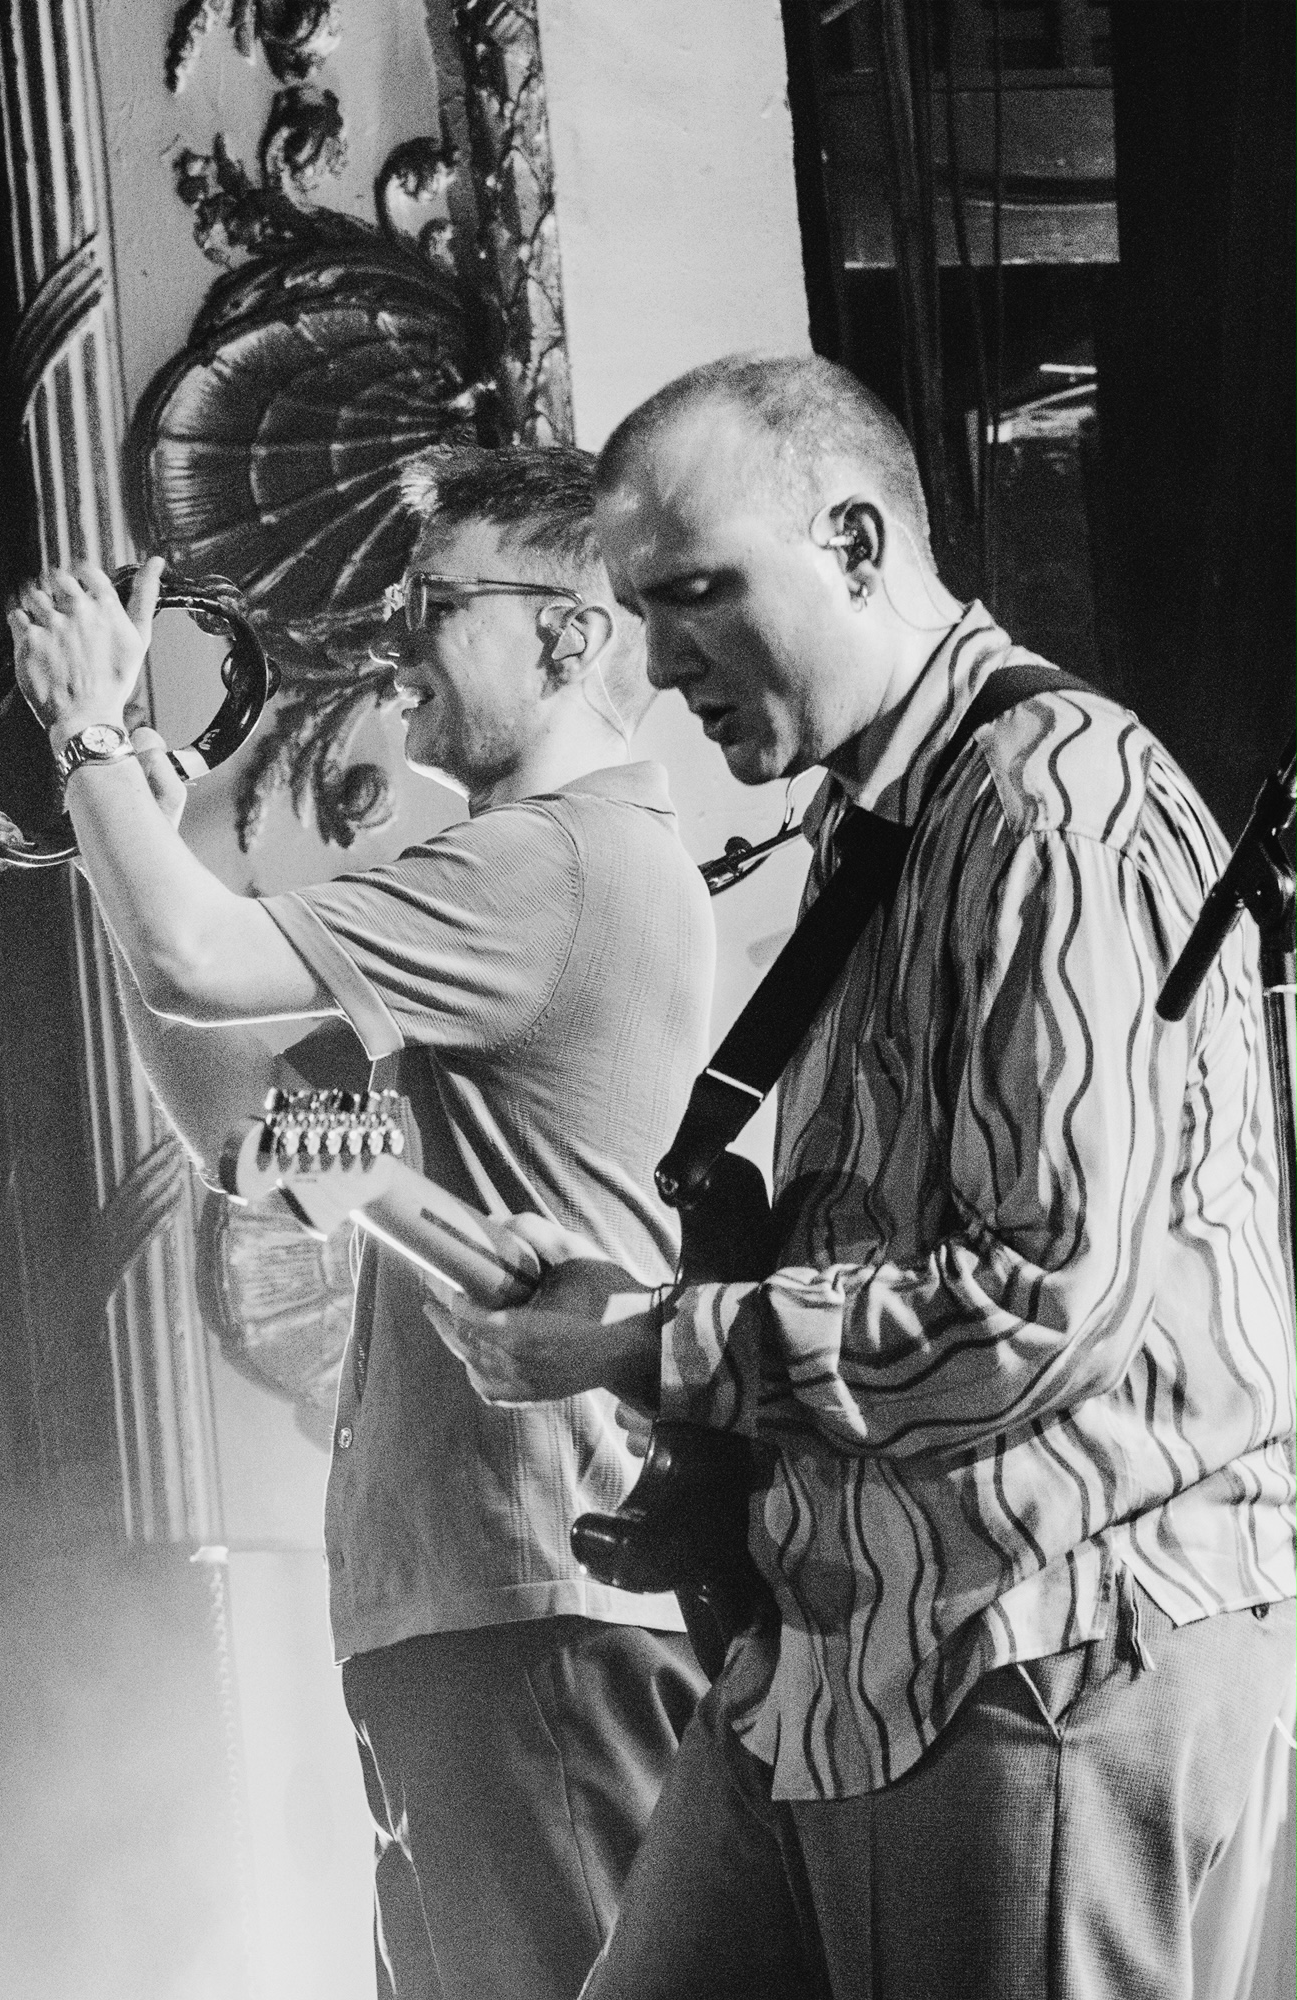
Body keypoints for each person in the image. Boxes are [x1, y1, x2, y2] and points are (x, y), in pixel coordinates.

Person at [433, 352, 1297, 1999]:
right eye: (636, 606)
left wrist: (655, 1343)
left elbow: (1043, 1301)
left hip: (1044, 1639)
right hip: (849, 1651)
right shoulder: (884, 816)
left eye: (695, 592)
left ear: (852, 543)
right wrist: (725, 1458)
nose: (661, 654)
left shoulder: (1047, 806)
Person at [9, 444, 714, 2000]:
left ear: (568, 635)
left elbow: (199, 966)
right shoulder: (533, 872)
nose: (394, 636)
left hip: (534, 1598)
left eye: (434, 599)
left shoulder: (551, 862)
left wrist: (91, 735)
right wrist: (138, 803)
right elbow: (252, 1132)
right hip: (473, 1601)